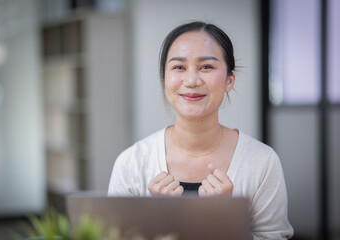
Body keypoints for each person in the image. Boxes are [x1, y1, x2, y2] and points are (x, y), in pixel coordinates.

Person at [108, 21, 294, 239]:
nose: (191, 80)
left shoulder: (262, 162)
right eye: (179, 67)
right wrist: (156, 222)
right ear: (164, 79)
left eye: (206, 67)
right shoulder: (132, 163)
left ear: (229, 80)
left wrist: (227, 223)